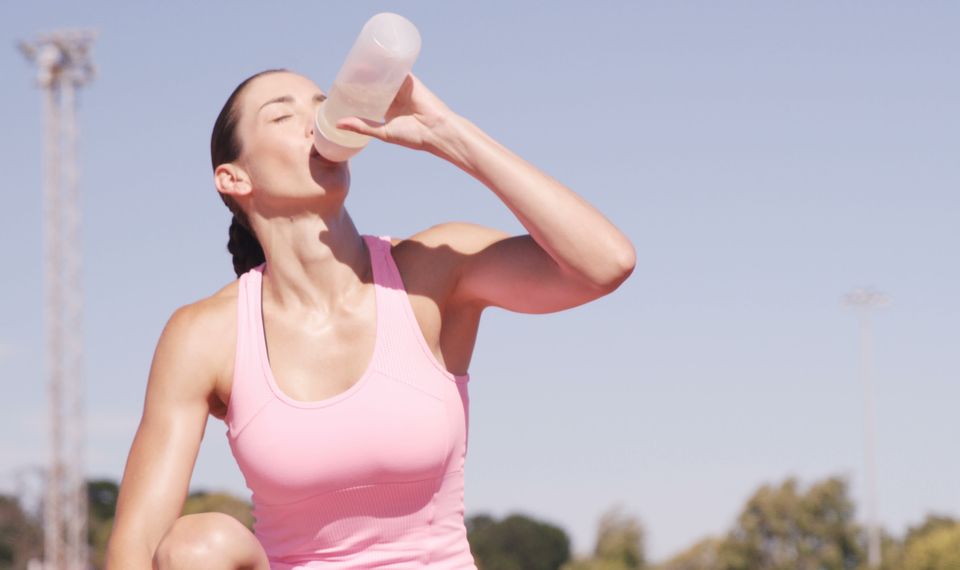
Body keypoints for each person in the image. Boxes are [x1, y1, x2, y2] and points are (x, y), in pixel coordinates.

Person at [104, 67, 636, 569]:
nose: (315, 119)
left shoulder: (433, 269)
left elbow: (603, 265)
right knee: (200, 545)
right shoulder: (205, 335)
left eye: (320, 103)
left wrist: (451, 135)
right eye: (282, 115)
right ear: (234, 178)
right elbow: (135, 551)